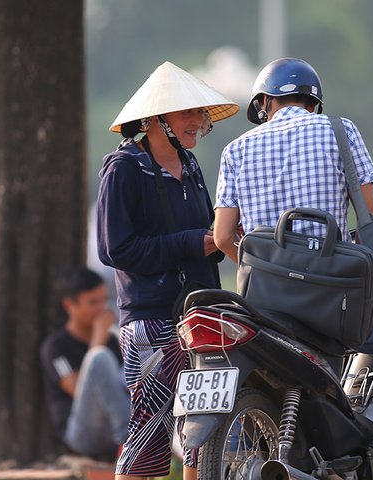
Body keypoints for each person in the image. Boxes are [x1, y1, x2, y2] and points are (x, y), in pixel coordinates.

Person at [213, 57, 373, 480]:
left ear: (264, 103)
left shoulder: (235, 150)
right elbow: (369, 217)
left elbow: (225, 236)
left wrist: (268, 269)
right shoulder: (339, 131)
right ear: (313, 103)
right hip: (331, 304)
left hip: (264, 307)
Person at [96, 61, 238, 480]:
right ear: (156, 120)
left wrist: (221, 238)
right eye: (187, 113)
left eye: (200, 112)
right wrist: (195, 242)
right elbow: (114, 249)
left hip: (202, 314)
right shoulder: (123, 168)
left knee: (203, 433)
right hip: (152, 320)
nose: (198, 121)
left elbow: (211, 231)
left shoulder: (190, 165)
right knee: (147, 435)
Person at [40, 266, 131, 459]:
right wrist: (98, 340)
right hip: (81, 434)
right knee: (99, 358)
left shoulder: (112, 341)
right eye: (93, 302)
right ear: (69, 305)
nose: (101, 308)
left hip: (110, 427)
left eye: (104, 300)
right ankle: (131, 439)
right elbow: (77, 389)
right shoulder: (55, 347)